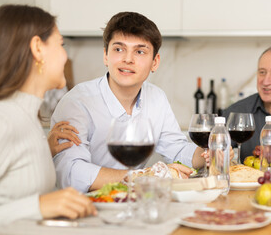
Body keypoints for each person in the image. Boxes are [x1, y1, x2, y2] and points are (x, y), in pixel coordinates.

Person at [51, 11, 206, 193]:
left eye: (139, 51)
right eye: (119, 49)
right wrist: (143, 177)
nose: (128, 59)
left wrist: (207, 154)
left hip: (136, 202)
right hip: (86, 208)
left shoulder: (157, 97)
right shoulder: (77, 102)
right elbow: (70, 173)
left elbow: (177, 150)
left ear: (155, 62)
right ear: (106, 56)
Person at [0, 4, 96, 225]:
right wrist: (39, 206)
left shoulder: (26, 120)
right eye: (60, 44)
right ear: (37, 48)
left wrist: (43, 150)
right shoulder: (4, 119)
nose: (65, 56)